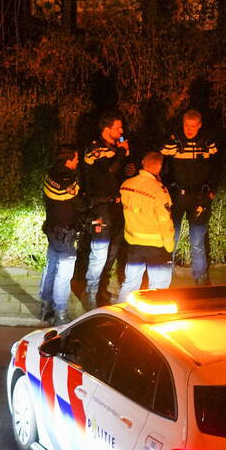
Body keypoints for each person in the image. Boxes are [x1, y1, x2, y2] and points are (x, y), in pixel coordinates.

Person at [160, 109, 219, 285]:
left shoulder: (208, 142)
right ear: (183, 124)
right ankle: (164, 277)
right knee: (171, 238)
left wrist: (212, 190)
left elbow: (217, 166)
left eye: (193, 126)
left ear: (199, 125)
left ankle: (200, 278)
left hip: (199, 198)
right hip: (177, 196)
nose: (189, 130)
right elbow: (162, 167)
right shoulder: (173, 141)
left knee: (198, 241)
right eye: (187, 125)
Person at [82, 111, 133, 308]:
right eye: (118, 127)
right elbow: (108, 170)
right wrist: (121, 152)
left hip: (117, 205)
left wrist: (130, 168)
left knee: (113, 250)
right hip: (100, 207)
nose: (122, 131)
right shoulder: (95, 147)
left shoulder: (116, 147)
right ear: (107, 128)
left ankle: (102, 288)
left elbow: (119, 171)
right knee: (100, 252)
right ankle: (91, 293)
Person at [116, 152, 175, 303]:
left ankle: (120, 314)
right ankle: (155, 319)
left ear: (143, 162)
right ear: (159, 166)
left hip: (133, 243)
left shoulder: (126, 185)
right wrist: (169, 246)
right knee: (158, 288)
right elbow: (165, 221)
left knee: (130, 284)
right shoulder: (159, 191)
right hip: (157, 246)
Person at [40, 145, 86, 324]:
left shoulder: (50, 174)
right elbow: (80, 203)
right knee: (64, 272)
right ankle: (60, 313)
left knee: (50, 266)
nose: (77, 162)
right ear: (68, 160)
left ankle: (45, 306)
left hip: (52, 229)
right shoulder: (68, 181)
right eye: (75, 159)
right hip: (66, 231)